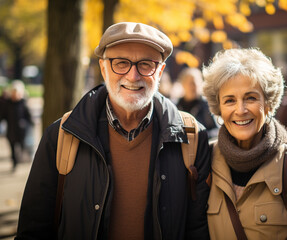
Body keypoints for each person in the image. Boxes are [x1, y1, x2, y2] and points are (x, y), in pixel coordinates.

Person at [16, 22, 211, 240]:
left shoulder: (192, 137)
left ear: (160, 71)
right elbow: (33, 230)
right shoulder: (63, 134)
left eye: (146, 65)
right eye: (121, 63)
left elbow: (198, 230)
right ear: (103, 68)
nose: (133, 76)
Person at [202, 48, 287, 239]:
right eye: (229, 100)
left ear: (269, 103)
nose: (240, 110)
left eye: (250, 98)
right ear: (218, 108)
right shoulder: (203, 161)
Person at [176, 67, 218, 139]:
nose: (194, 86)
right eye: (191, 83)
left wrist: (199, 134)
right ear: (183, 84)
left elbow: (217, 131)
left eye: (197, 82)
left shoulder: (208, 106)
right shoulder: (175, 107)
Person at [1, 80, 33, 171]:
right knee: (12, 147)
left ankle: (20, 158)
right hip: (11, 130)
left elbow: (28, 116)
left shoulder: (23, 103)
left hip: (21, 130)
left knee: (21, 146)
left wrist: (29, 123)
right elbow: (3, 115)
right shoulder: (7, 104)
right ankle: (14, 162)